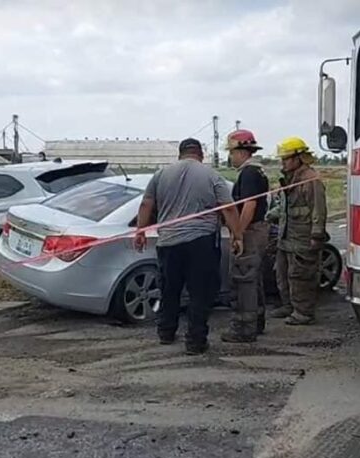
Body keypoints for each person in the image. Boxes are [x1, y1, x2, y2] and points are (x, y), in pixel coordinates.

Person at [134, 138, 243, 355]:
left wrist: (140, 231)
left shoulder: (161, 174)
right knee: (199, 293)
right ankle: (195, 341)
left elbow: (147, 203)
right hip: (200, 242)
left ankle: (166, 332)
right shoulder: (212, 175)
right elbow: (228, 208)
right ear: (200, 154)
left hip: (168, 243)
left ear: (180, 154)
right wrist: (237, 235)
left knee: (169, 289)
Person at [269, 137, 327, 326]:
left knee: (301, 275)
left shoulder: (311, 179)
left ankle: (303, 312)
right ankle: (289, 305)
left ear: (298, 158)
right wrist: (270, 215)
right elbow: (286, 207)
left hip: (302, 237)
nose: (283, 163)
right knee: (282, 273)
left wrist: (316, 235)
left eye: (286, 159)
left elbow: (318, 209)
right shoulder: (289, 180)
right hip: (286, 235)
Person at [221, 130, 270, 343]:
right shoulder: (256, 171)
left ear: (241, 151)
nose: (230, 157)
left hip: (250, 232)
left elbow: (249, 205)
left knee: (243, 280)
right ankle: (256, 322)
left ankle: (244, 328)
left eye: (231, 152)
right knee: (252, 278)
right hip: (256, 230)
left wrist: (238, 234)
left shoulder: (249, 173)